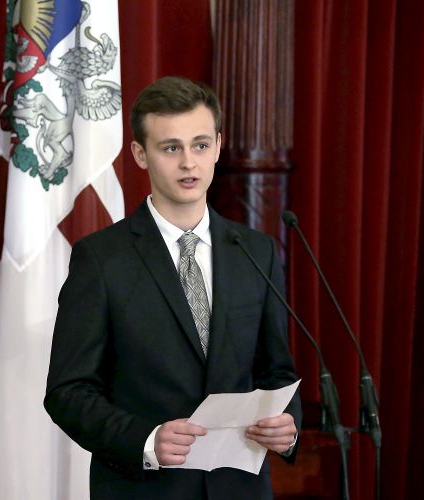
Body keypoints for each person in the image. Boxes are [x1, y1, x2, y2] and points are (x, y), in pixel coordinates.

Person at [44, 76, 302, 499]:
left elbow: (277, 371)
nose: (188, 163)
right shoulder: (101, 259)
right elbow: (68, 392)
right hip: (146, 489)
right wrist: (146, 440)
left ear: (218, 146)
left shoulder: (256, 251)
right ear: (140, 154)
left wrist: (287, 427)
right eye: (171, 148)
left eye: (200, 145)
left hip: (239, 489)